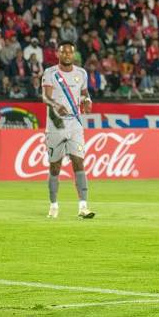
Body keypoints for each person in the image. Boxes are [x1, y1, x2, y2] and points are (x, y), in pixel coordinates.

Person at [41, 40, 94, 219]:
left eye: (70, 52)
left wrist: (87, 101)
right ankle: (54, 204)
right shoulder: (50, 73)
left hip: (75, 125)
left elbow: (85, 93)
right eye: (63, 52)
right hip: (56, 125)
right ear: (58, 54)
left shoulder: (81, 73)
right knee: (55, 166)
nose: (67, 55)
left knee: (79, 162)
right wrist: (56, 105)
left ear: (73, 54)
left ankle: (83, 207)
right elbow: (45, 98)